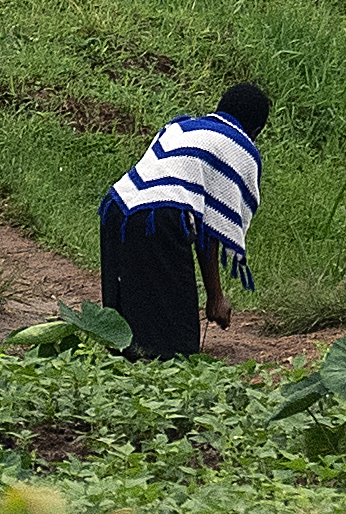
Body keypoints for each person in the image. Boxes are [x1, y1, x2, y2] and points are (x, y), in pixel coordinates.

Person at [98, 82, 268, 359]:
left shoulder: (181, 127)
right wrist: (215, 297)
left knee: (126, 324)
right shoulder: (239, 147)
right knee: (176, 340)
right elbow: (211, 228)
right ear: (256, 130)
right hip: (161, 219)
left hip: (117, 211)